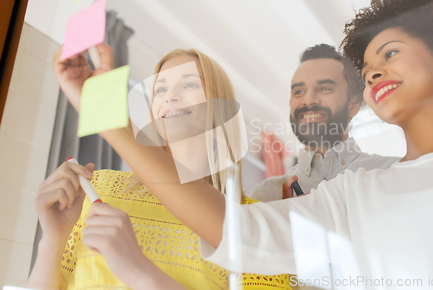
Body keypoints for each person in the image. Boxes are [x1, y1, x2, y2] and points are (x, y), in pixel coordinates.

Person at [45, 0, 433, 288]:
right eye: (368, 66)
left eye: (391, 53)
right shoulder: (349, 196)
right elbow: (237, 233)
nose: (374, 72)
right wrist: (106, 117)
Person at [27, 48, 291, 290]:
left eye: (189, 84)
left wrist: (139, 272)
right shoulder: (99, 188)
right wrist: (52, 239)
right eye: (160, 89)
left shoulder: (254, 228)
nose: (170, 96)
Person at [251, 44, 398, 202]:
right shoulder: (267, 196)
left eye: (325, 88)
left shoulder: (393, 173)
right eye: (299, 91)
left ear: (354, 103)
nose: (308, 100)